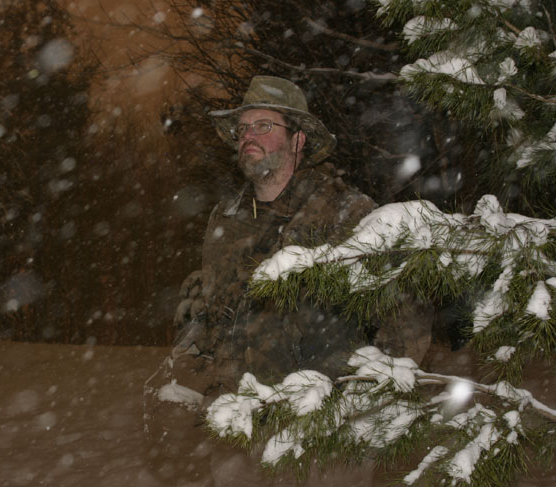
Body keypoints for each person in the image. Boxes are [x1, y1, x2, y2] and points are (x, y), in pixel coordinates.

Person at [143, 75, 432, 485]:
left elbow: (404, 311)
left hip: (325, 430)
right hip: (241, 426)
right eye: (243, 128)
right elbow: (213, 312)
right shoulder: (225, 219)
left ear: (298, 139)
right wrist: (191, 375)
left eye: (264, 125)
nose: (248, 135)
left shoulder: (346, 213)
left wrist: (368, 400)